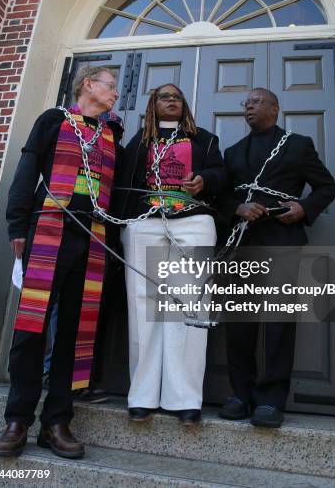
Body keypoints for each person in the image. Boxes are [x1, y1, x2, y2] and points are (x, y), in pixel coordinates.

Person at [0, 66, 123, 459]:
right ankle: (17, 420)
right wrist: (18, 225)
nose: (116, 93)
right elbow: (28, 171)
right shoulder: (52, 120)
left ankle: (57, 422)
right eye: (111, 86)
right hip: (49, 231)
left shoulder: (113, 134)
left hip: (93, 239)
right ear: (88, 85)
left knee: (75, 331)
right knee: (31, 328)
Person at [219, 87, 335, 428]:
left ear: (274, 107)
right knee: (239, 322)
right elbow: (224, 197)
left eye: (256, 102)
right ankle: (240, 394)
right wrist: (237, 207)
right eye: (245, 104)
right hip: (242, 242)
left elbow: (327, 187)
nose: (248, 108)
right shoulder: (233, 152)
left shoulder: (298, 145)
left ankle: (271, 400)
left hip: (282, 240)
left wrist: (303, 208)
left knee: (278, 323)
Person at [118, 83, 226, 425]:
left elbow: (223, 174)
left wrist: (205, 180)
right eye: (164, 97)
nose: (171, 101)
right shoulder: (139, 142)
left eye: (177, 97)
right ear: (153, 105)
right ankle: (142, 395)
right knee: (144, 308)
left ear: (185, 105)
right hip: (145, 223)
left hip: (192, 222)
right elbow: (122, 182)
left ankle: (186, 399)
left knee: (190, 307)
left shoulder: (205, 139)